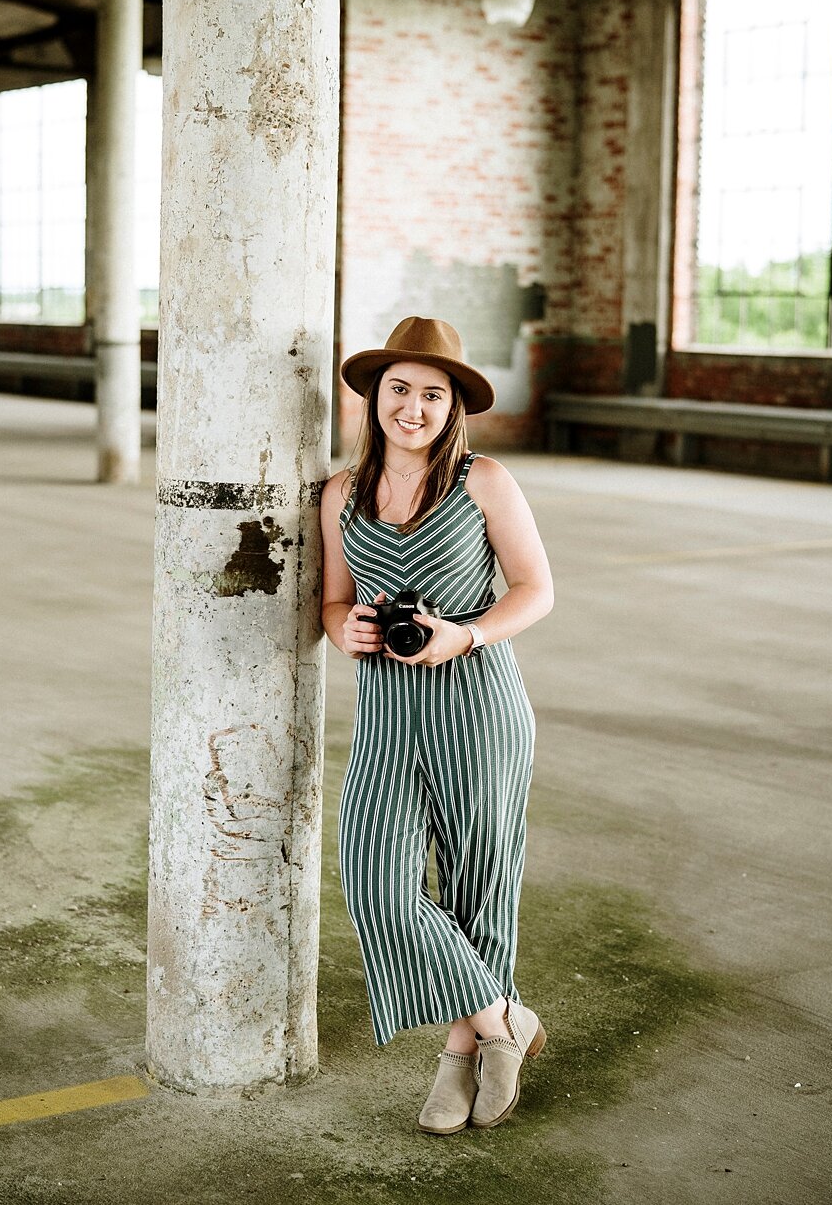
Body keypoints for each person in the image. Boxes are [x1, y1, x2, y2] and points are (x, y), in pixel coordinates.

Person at [320, 316, 555, 1134]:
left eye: (431, 393)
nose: (412, 408)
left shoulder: (482, 479)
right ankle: (501, 1021)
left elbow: (535, 588)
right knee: (375, 880)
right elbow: (333, 600)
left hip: (479, 705)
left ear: (452, 405)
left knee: (477, 887)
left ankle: (461, 1054)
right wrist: (343, 626)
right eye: (399, 389)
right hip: (387, 715)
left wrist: (466, 632)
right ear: (373, 395)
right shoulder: (337, 495)